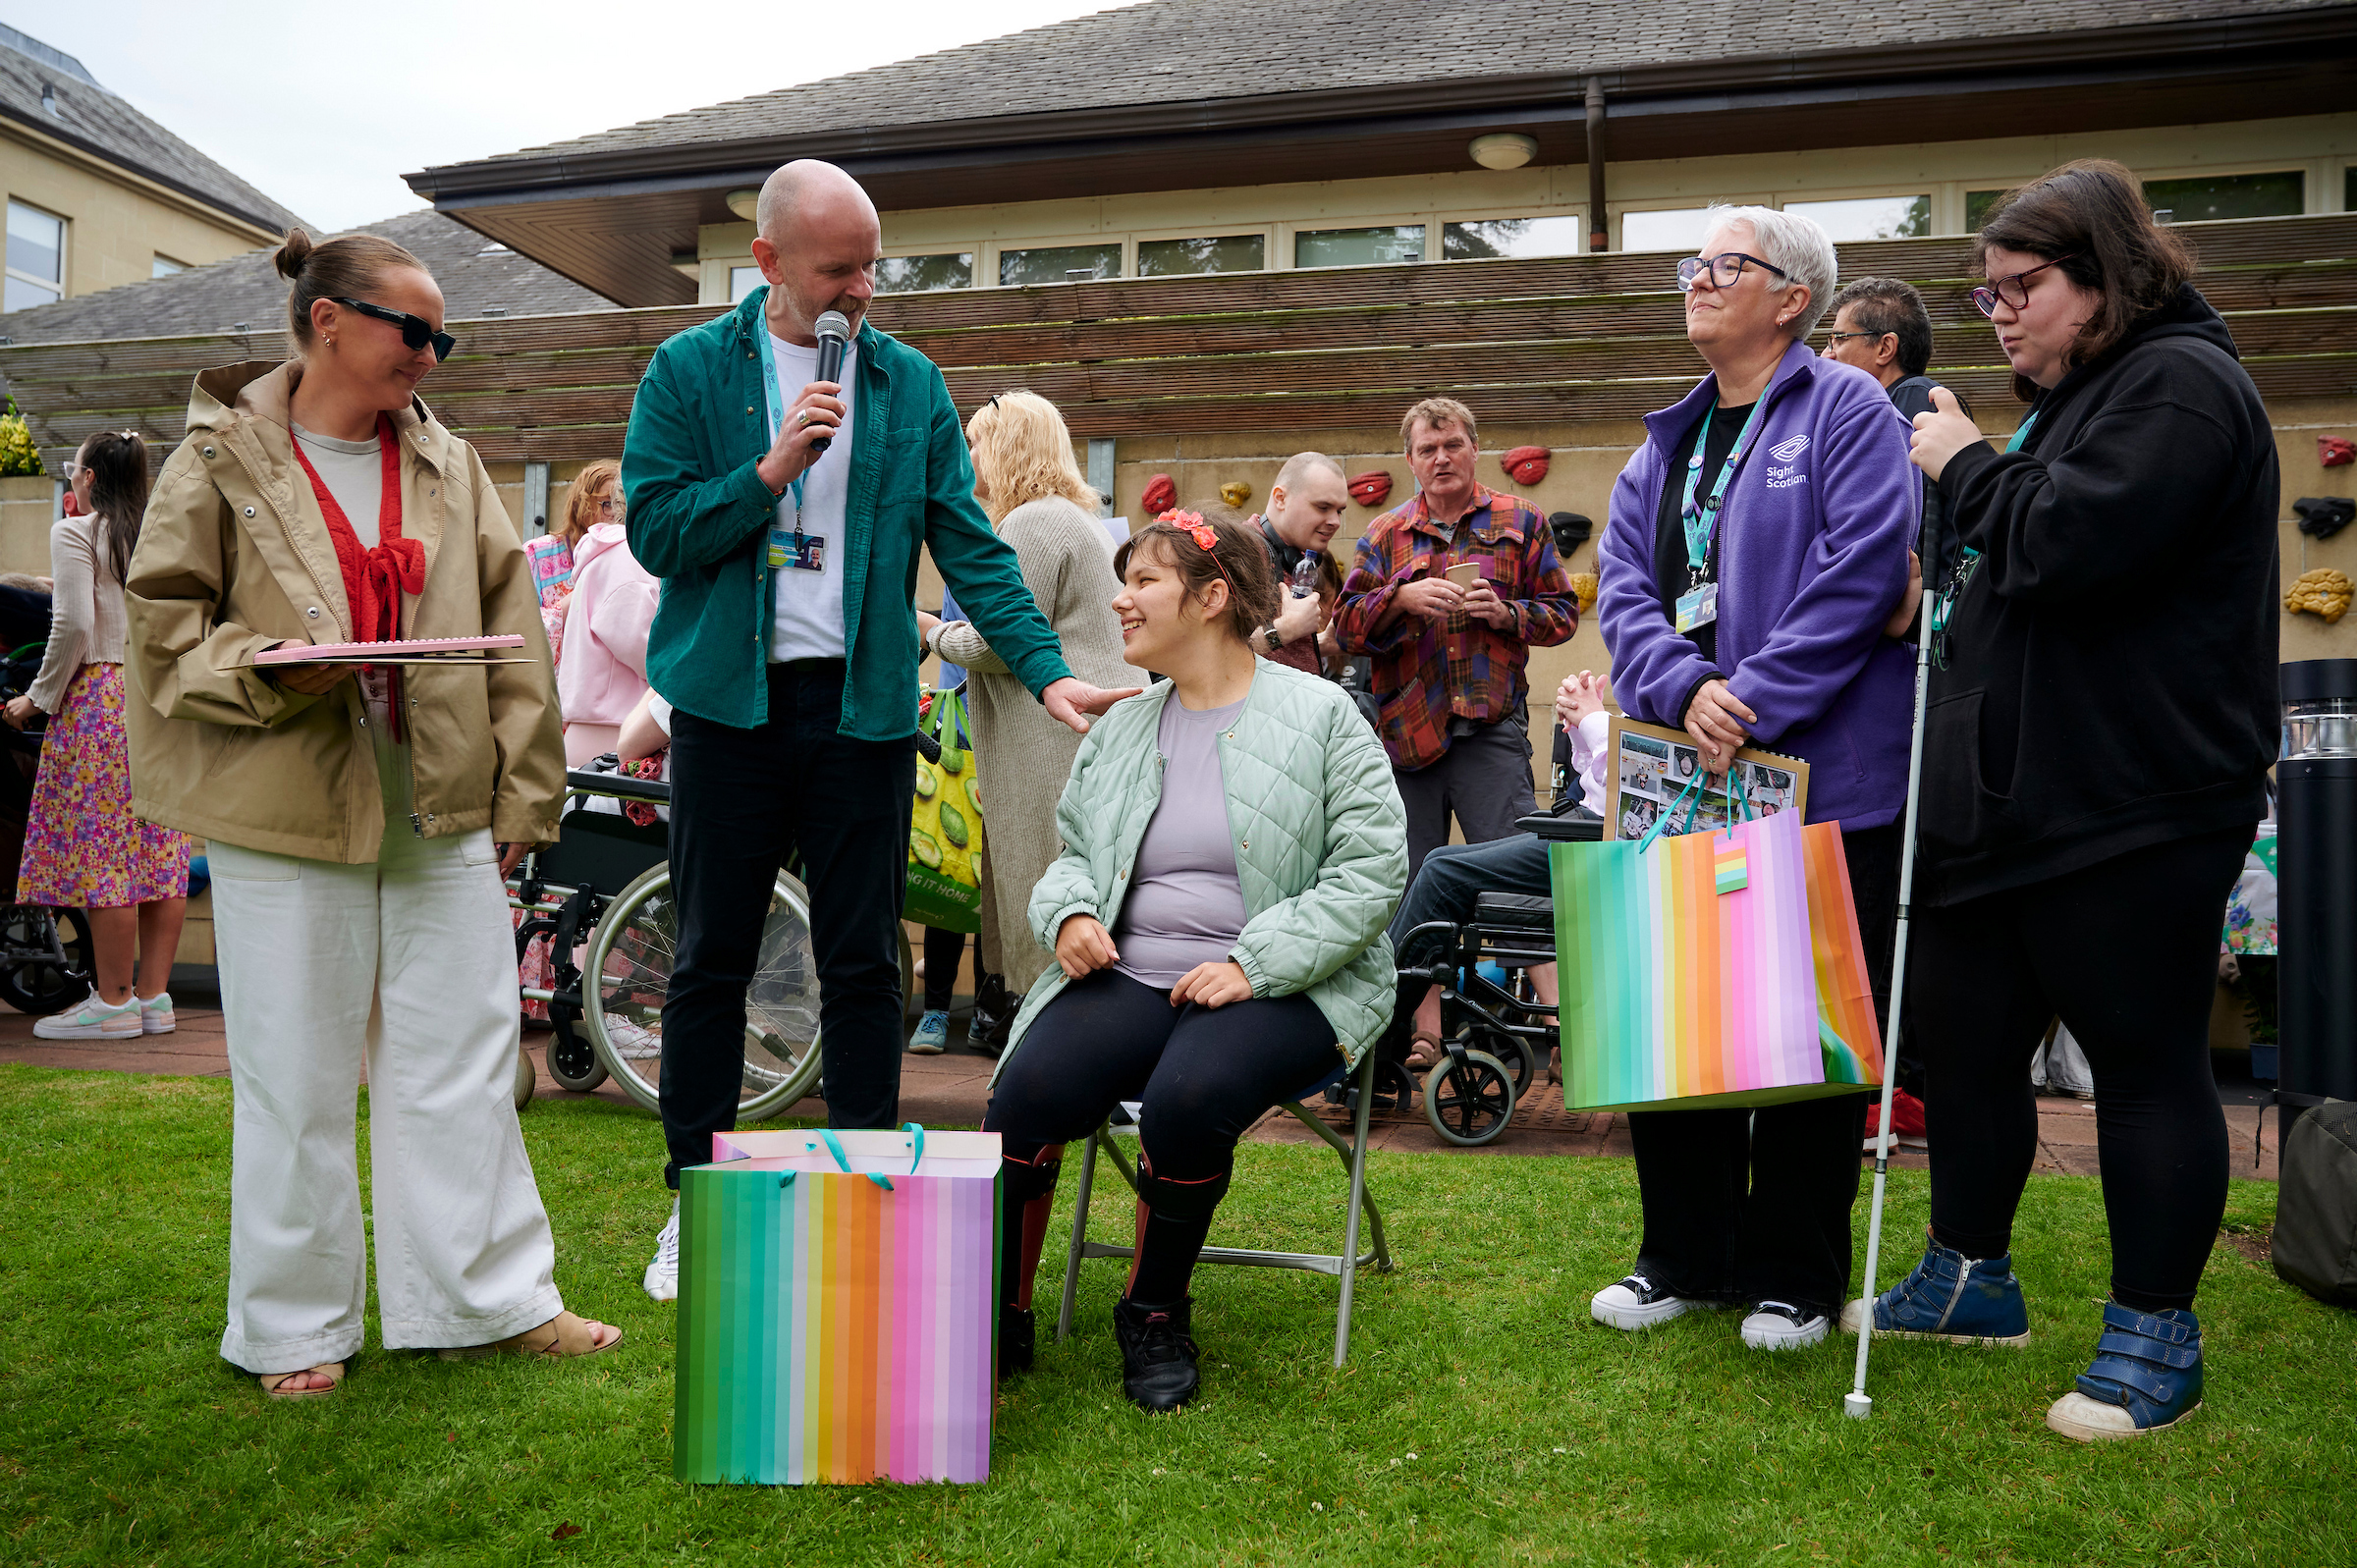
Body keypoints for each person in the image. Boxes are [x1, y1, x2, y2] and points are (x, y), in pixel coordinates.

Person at [621, 160, 1135, 1301]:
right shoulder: (689, 371)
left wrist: (1047, 672)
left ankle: (866, 1198)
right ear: (765, 264)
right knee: (712, 959)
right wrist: (768, 471)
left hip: (858, 713)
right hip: (727, 710)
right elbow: (657, 530)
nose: (863, 289)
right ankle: (695, 1202)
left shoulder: (906, 382)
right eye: (837, 269)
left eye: (873, 265)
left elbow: (969, 544)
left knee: (866, 963)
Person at [124, 226, 615, 1400]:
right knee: (294, 1077)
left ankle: (488, 1301)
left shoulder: (450, 461)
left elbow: (515, 641)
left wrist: (524, 787)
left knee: (465, 1059)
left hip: (438, 807)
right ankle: (294, 1328)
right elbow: (164, 629)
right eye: (415, 329)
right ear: (329, 319)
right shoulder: (218, 459)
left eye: (443, 334)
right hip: (286, 814)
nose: (432, 354)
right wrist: (270, 663)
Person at [1859, 161, 2279, 1442]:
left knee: (2144, 1060)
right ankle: (1970, 1274)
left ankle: (2155, 1339)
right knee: (1969, 1039)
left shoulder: (2186, 389)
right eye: (1986, 294)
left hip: (2136, 793)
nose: (1999, 314)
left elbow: (2070, 546)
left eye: (2024, 289)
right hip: (2008, 801)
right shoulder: (2077, 399)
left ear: (2106, 276)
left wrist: (1970, 460)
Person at [983, 505, 1406, 1412]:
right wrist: (1072, 914)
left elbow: (1373, 874)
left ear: (1213, 597)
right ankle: (996, 1313)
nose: (1120, 600)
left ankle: (1153, 1312)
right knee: (1024, 1094)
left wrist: (1255, 964)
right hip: (1136, 969)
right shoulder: (1130, 725)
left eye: (1143, 581)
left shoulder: (1322, 715)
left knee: (1189, 1097)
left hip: (1293, 978)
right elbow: (1071, 855)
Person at [1590, 204, 1914, 1352]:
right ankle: (1681, 1254)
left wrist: (1753, 694)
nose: (1697, 279)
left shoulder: (1847, 408)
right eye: (1692, 264)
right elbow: (1621, 587)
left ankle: (1796, 1274)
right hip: (1685, 774)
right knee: (1680, 1021)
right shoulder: (1661, 441)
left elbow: (1867, 566)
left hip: (1821, 776)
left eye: (1724, 263)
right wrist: (1681, 685)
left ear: (1792, 298)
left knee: (1802, 1033)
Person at [911, 389, 1129, 1052]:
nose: (966, 454)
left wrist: (926, 628)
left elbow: (999, 642)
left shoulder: (1031, 523)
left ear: (1006, 448)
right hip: (1078, 736)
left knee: (1047, 894)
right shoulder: (1075, 519)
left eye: (976, 441)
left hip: (1051, 743)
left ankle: (1065, 1065)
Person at [1335, 398, 1578, 880]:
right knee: (1400, 889)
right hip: (1406, 739)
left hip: (1491, 734)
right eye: (1428, 449)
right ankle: (1416, 961)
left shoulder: (1522, 519)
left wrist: (1507, 614)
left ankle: (1522, 960)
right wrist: (1399, 600)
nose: (1441, 458)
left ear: (1475, 449)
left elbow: (1565, 614)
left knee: (1516, 883)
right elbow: (1344, 627)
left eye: (1452, 445)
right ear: (1411, 461)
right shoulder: (1385, 534)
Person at [4, 431, 191, 1039]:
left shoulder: (76, 533)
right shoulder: (158, 532)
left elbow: (75, 622)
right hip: (158, 701)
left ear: (87, 480)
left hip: (99, 702)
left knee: (106, 852)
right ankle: (153, 998)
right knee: (159, 848)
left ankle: (111, 1005)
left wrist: (37, 698)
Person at [555, 475, 659, 765]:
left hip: (597, 731)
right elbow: (644, 645)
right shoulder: (627, 556)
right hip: (615, 734)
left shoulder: (609, 554)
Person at [1248, 451, 1350, 675]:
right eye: (1323, 507)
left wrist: (1320, 645)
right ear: (1280, 499)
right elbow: (1204, 654)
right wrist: (1285, 630)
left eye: (1339, 511)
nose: (1335, 522)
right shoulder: (1237, 553)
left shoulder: (1294, 555)